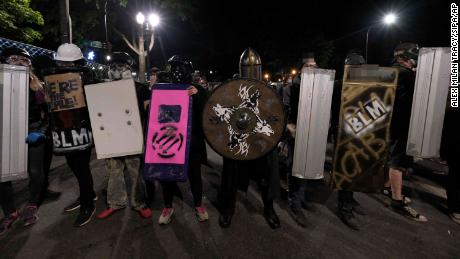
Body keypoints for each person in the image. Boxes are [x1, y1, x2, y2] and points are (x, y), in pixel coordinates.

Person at [45, 43, 98, 227]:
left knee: (82, 168)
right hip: (63, 132)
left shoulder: (87, 78)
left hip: (81, 130)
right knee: (74, 166)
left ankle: (88, 204)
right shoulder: (53, 79)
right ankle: (88, 194)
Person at [0, 47, 51, 233]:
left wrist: (42, 131)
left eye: (24, 60)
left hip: (33, 132)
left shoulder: (37, 88)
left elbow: (48, 115)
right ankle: (9, 212)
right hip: (6, 133)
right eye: (14, 59)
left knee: (36, 172)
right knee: (3, 175)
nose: (19, 63)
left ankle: (32, 204)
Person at [96, 52, 152, 219]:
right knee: (114, 172)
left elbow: (148, 112)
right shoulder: (103, 89)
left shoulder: (141, 89)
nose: (117, 70)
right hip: (112, 138)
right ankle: (115, 202)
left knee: (136, 172)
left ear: (128, 68)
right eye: (114, 67)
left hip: (132, 137)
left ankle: (139, 203)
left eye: (121, 66)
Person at [157, 55, 209, 225]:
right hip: (171, 141)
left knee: (195, 175)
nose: (177, 72)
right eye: (174, 68)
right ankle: (168, 206)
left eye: (181, 68)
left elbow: (209, 112)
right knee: (168, 176)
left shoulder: (198, 90)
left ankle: (199, 204)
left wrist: (197, 96)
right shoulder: (164, 89)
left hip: (192, 143)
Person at [384, 43, 427, 222]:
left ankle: (388, 187)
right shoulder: (407, 75)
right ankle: (397, 200)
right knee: (398, 163)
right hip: (402, 125)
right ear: (407, 58)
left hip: (390, 124)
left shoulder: (391, 71)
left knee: (391, 158)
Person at [332, 50, 367, 230]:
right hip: (342, 133)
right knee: (346, 170)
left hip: (359, 131)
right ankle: (344, 206)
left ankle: (349, 198)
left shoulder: (365, 85)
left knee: (355, 168)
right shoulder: (338, 85)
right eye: (355, 67)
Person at [284, 52, 318, 227]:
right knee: (295, 168)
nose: (313, 68)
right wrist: (289, 127)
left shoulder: (318, 87)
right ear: (301, 69)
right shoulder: (292, 87)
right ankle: (294, 204)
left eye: (315, 66)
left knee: (307, 167)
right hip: (296, 133)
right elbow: (284, 111)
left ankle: (301, 197)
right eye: (309, 66)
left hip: (312, 133)